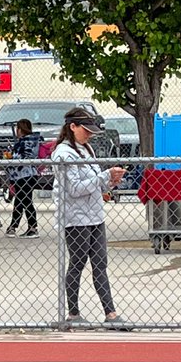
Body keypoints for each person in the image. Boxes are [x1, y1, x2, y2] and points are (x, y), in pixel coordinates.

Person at [52, 106, 130, 329]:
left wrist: (110, 180)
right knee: (77, 263)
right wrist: (103, 177)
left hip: (94, 215)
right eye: (85, 130)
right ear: (72, 127)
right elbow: (74, 188)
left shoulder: (87, 149)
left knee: (100, 263)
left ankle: (111, 313)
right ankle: (73, 313)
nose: (89, 135)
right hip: (75, 218)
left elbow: (94, 181)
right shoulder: (63, 154)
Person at [6, 118, 42, 237]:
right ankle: (14, 226)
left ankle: (31, 227)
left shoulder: (24, 142)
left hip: (24, 175)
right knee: (21, 200)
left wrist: (11, 154)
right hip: (29, 174)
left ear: (20, 129)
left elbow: (23, 157)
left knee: (25, 201)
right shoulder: (34, 141)